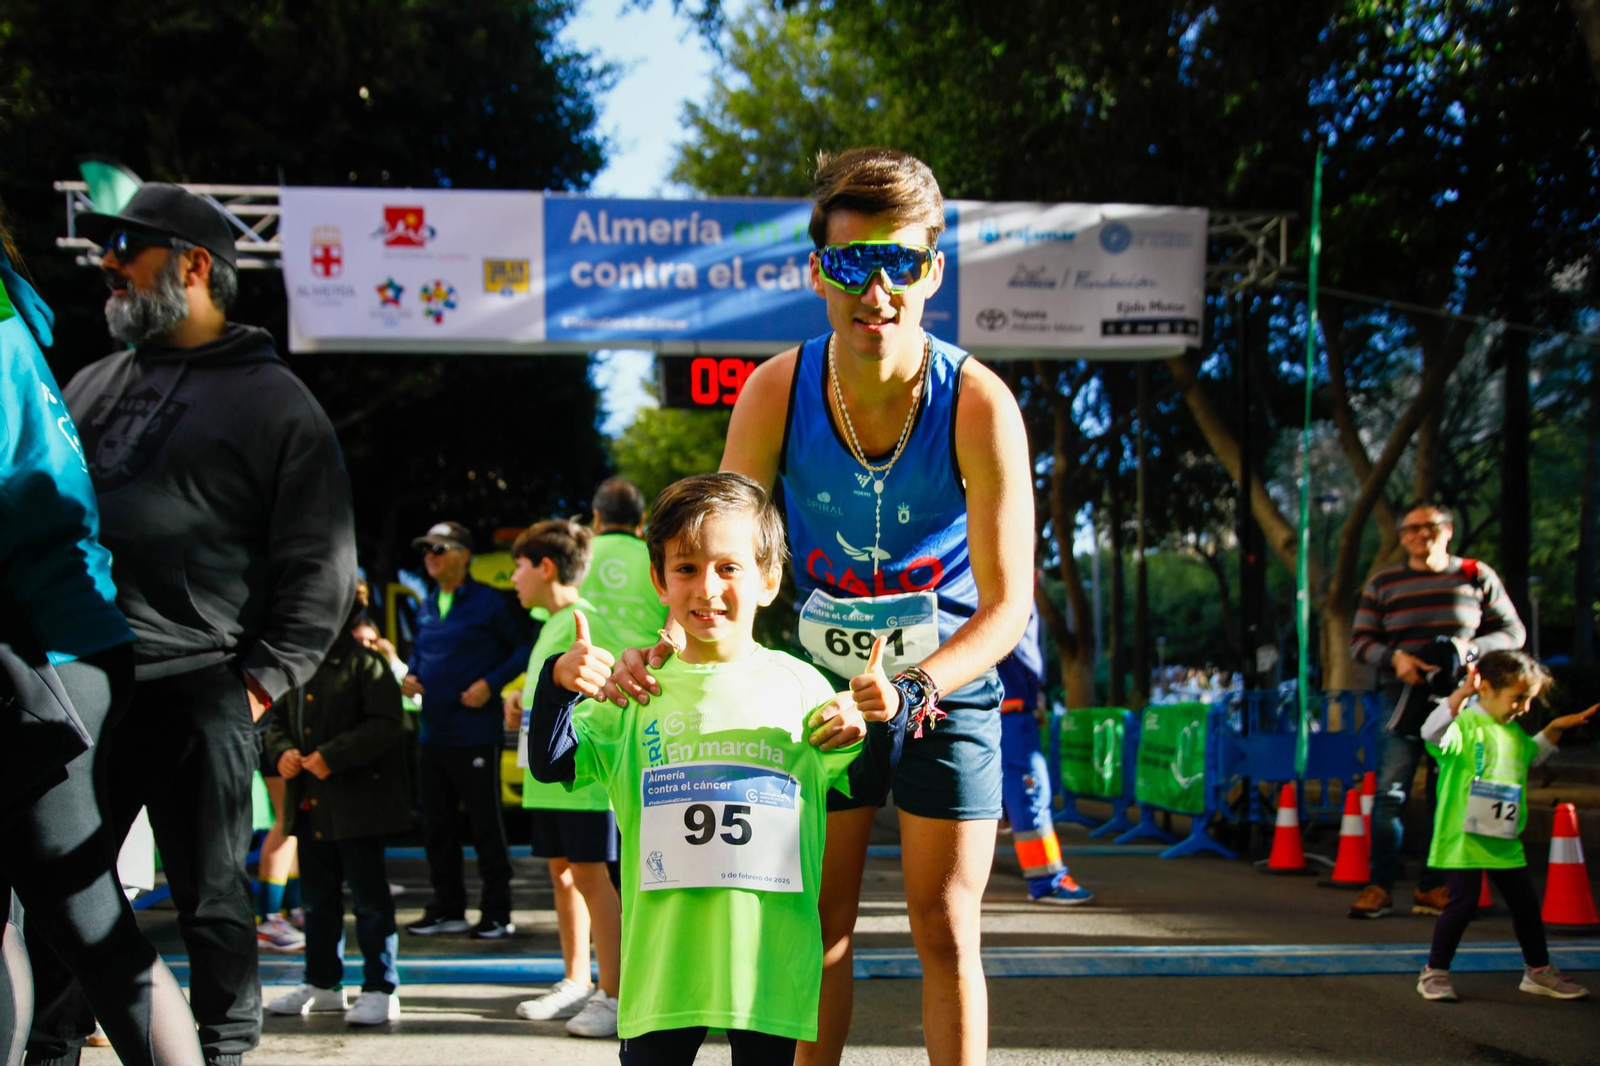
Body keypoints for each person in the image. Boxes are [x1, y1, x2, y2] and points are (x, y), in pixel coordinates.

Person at [609, 148, 1034, 1066]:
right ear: (817, 271)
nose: (875, 289)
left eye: (901, 264)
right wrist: (659, 652)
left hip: (940, 682)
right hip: (811, 691)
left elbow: (1007, 608)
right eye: (850, 264)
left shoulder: (980, 403)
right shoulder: (774, 389)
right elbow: (717, 557)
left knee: (945, 927)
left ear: (933, 271)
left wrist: (918, 686)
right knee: (818, 922)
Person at [29, 182, 356, 1066]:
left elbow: (320, 569)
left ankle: (222, 1056)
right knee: (65, 894)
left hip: (200, 687)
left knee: (214, 900)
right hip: (79, 682)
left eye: (126, 246)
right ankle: (49, 1052)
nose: (106, 263)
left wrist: (254, 686)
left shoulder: (278, 402)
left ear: (195, 266)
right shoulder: (90, 381)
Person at [530, 473, 903, 1065]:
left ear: (769, 580)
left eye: (729, 568)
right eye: (686, 568)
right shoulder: (636, 692)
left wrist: (887, 719)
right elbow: (553, 765)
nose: (707, 587)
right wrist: (557, 682)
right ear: (659, 579)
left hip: (769, 971)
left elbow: (864, 784)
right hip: (662, 974)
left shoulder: (803, 686)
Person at [0, 207, 203, 1066]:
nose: (112, 260)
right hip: (67, 648)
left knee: (91, 925)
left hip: (39, 656)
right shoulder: (17, 323)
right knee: (78, 921)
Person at [1348, 501, 1526, 920]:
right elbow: (1359, 641)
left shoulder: (1475, 575)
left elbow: (1513, 631)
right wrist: (1396, 659)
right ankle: (1379, 885)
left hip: (1462, 700)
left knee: (1447, 794)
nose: (1418, 535)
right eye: (1410, 529)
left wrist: (1473, 649)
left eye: (1428, 527)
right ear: (1401, 536)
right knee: (1391, 790)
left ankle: (1433, 886)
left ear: (1447, 530)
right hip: (1401, 698)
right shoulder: (1384, 582)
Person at [1414, 650, 1596, 1002]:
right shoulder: (1465, 724)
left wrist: (1555, 729)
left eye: (1527, 700)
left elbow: (1533, 753)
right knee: (1462, 905)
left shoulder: (1511, 732)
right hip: (1463, 837)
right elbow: (1431, 733)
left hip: (1502, 837)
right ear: (1486, 689)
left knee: (1525, 904)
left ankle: (1538, 971)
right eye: (1518, 699)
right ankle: (1434, 972)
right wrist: (1461, 694)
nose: (1523, 708)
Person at [263, 599, 412, 1025]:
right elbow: (276, 725)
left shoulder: (367, 665)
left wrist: (332, 755)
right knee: (317, 902)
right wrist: (283, 753)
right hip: (311, 806)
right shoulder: (298, 664)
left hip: (358, 806)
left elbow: (386, 725)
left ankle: (381, 988)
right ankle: (323, 983)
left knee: (369, 901)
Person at [502, 519, 624, 1036]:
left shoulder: (584, 620)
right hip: (546, 779)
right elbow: (552, 694)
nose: (512, 578)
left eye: (518, 566)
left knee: (593, 880)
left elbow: (605, 692)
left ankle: (617, 995)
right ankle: (576, 981)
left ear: (545, 566)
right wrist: (520, 701)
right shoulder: (550, 623)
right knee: (564, 877)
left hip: (583, 783)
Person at [403, 521, 531, 938]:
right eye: (426, 549)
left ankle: (497, 912)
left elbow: (524, 649)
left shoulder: (489, 602)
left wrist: (489, 685)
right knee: (436, 827)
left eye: (439, 548)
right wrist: (411, 677)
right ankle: (447, 907)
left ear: (463, 554)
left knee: (484, 826)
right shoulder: (426, 603)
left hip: (475, 733)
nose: (430, 556)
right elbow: (421, 655)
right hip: (433, 733)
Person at [997, 606, 1092, 904]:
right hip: (1011, 711)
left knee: (1015, 796)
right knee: (1030, 794)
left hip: (1008, 708)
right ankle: (1046, 881)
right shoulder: (1005, 576)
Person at [581, 476, 670, 650]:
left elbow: (548, 619)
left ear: (597, 516)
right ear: (642, 519)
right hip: (646, 669)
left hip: (583, 669)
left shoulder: (575, 554)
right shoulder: (661, 557)